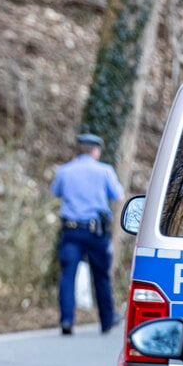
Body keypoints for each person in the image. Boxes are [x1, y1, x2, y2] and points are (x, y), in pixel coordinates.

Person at [50, 132, 124, 335]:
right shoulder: (105, 171)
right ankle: (106, 320)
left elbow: (55, 192)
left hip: (71, 231)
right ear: (95, 150)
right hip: (96, 232)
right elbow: (118, 195)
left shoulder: (65, 170)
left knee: (68, 275)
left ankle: (66, 319)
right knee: (101, 276)